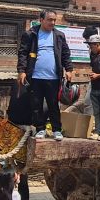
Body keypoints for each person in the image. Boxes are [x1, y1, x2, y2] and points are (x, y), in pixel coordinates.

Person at [17, 10, 74, 141]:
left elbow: (65, 53)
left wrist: (69, 69)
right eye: (49, 20)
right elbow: (22, 53)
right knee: (36, 104)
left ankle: (56, 130)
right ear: (41, 20)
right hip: (35, 77)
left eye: (54, 20)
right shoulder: (31, 34)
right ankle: (40, 129)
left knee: (53, 105)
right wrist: (21, 71)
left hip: (53, 78)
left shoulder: (59, 35)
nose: (52, 23)